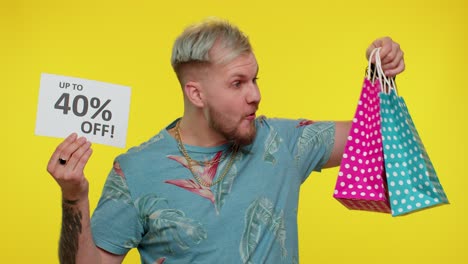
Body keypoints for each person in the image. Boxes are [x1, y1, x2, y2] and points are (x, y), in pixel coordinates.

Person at [47, 17, 405, 264]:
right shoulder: (137, 170)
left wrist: (379, 76)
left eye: (255, 79)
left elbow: (375, 138)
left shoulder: (283, 142)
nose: (255, 95)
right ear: (196, 94)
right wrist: (74, 198)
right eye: (237, 83)